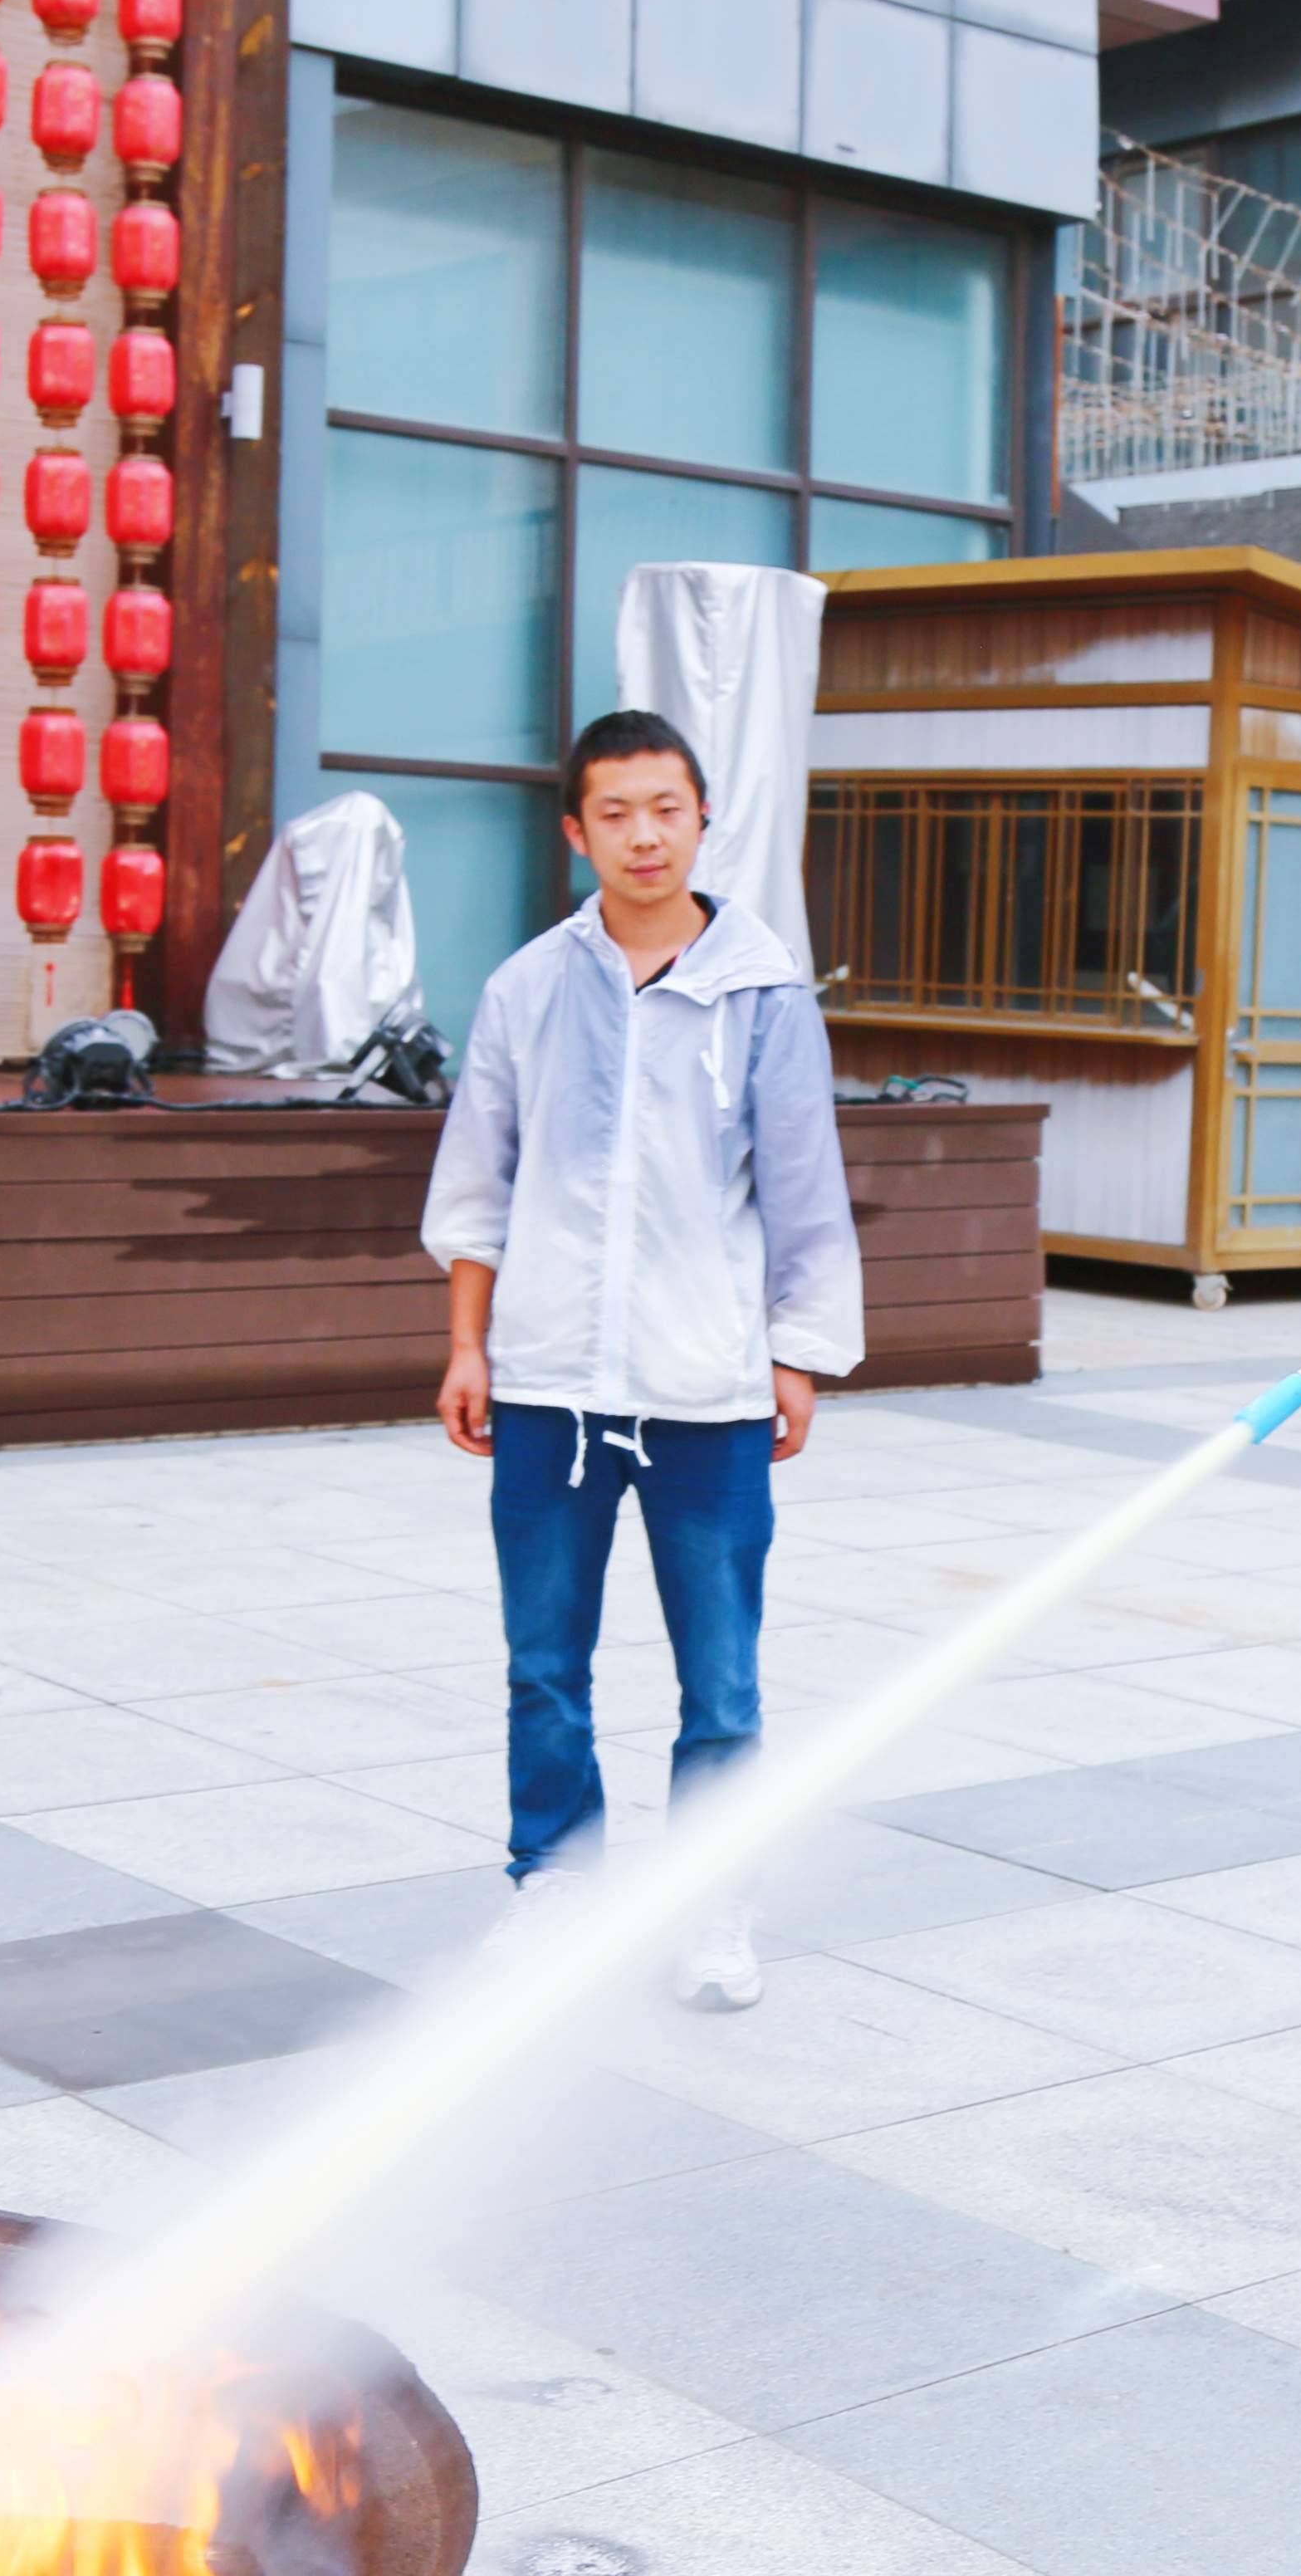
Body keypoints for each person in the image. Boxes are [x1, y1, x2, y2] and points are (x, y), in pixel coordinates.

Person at [420, 708, 861, 2012]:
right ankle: (553, 1883)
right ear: (577, 831)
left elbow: (803, 1189)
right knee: (543, 1663)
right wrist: (467, 1344)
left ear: (702, 818)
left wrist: (796, 1356)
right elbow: (478, 1177)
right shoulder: (527, 988)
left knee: (719, 1680)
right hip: (547, 1378)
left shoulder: (764, 991)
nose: (645, 836)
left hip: (706, 1387)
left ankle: (711, 1902)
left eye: (666, 809)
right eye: (615, 813)